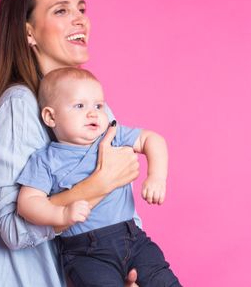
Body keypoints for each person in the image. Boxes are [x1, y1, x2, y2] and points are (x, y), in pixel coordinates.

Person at [0, 0, 141, 286]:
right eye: (61, 10)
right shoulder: (20, 105)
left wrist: (131, 270)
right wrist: (99, 184)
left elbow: (120, 213)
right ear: (29, 33)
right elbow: (12, 229)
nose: (80, 20)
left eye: (81, 9)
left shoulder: (93, 107)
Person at [16, 67, 180, 286]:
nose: (93, 113)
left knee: (164, 280)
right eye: (79, 106)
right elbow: (27, 203)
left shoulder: (112, 136)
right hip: (87, 253)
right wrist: (62, 214)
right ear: (50, 116)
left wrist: (156, 177)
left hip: (133, 237)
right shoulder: (46, 159)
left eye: (98, 105)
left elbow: (153, 139)